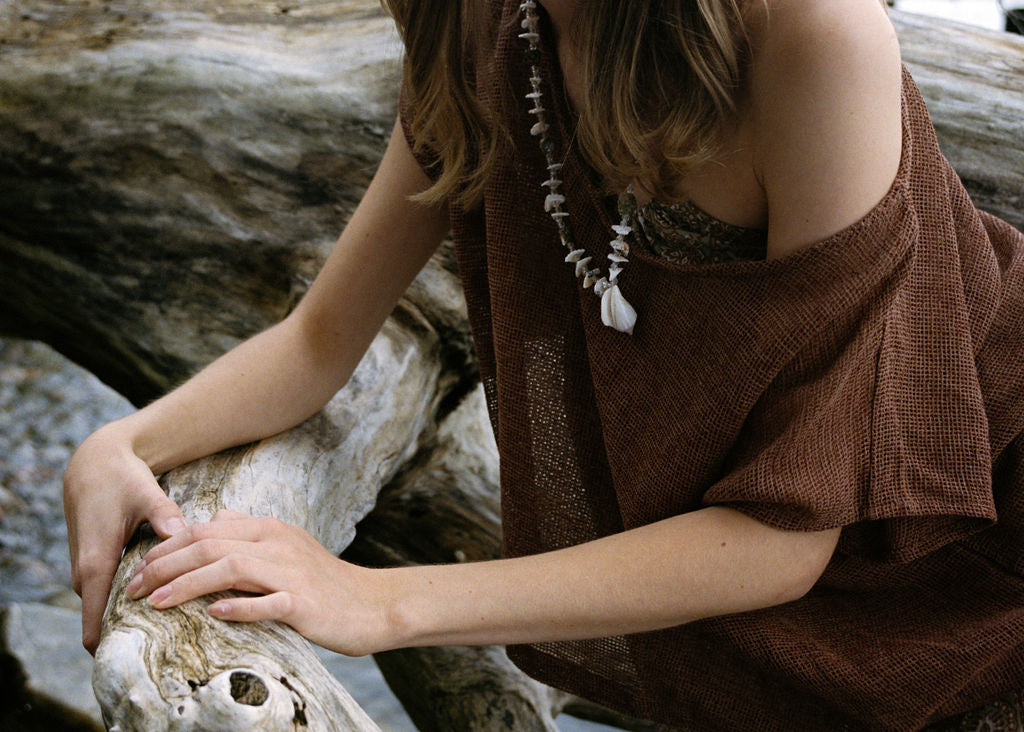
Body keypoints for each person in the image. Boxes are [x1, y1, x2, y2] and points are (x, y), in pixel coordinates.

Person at [63, 0, 1024, 728]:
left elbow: (785, 533)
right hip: (770, 599)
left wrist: (376, 598)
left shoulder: (814, 35)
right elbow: (319, 342)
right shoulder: (493, 27)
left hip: (978, 573)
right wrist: (122, 442)